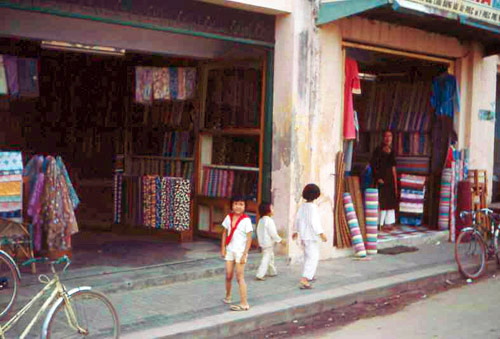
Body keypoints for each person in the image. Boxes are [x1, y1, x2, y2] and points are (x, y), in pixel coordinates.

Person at [220, 196, 253, 311]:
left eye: (241, 204)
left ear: (244, 206)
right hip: (230, 250)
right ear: (232, 205)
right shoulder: (228, 218)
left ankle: (244, 303)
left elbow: (249, 239)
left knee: (240, 277)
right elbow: (224, 233)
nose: (238, 207)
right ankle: (228, 296)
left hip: (240, 252)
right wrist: (223, 248)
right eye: (236, 204)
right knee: (228, 275)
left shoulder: (246, 220)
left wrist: (245, 254)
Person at [292, 184, 328, 290]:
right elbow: (315, 223)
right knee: (313, 257)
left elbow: (297, 219)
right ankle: (305, 279)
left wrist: (296, 231)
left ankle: (310, 275)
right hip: (312, 236)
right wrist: (322, 234)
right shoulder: (313, 208)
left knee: (308, 256)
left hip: (304, 236)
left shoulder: (302, 206)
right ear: (316, 195)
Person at [370, 130, 398, 231]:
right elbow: (373, 165)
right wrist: (378, 177)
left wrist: (395, 183)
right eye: (386, 136)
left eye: (390, 136)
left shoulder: (392, 150)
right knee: (382, 201)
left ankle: (388, 223)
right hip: (381, 179)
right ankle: (379, 224)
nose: (388, 138)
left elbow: (393, 167)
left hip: (390, 179)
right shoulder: (378, 150)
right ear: (383, 138)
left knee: (390, 201)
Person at [255, 202, 285, 281]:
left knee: (270, 256)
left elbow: (258, 231)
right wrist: (280, 241)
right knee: (266, 258)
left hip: (263, 242)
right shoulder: (269, 221)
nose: (273, 210)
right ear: (267, 211)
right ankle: (260, 274)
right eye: (272, 208)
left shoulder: (261, 220)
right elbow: (273, 233)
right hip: (268, 243)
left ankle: (272, 271)